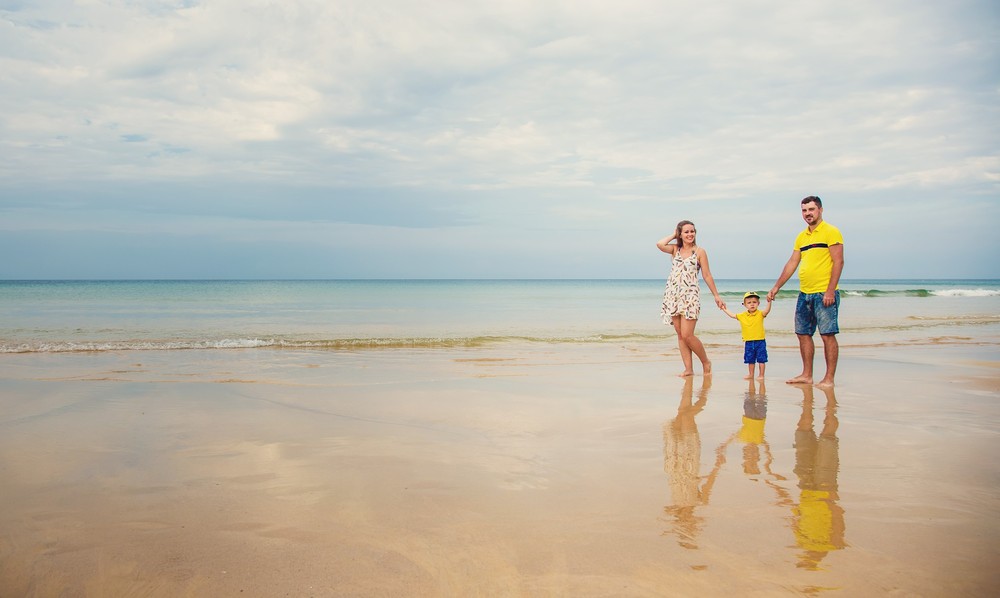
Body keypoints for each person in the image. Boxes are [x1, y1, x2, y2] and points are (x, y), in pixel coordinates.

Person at [767, 197, 844, 387]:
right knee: (802, 334)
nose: (808, 213)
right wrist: (776, 286)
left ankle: (829, 378)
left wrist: (830, 291)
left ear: (820, 210)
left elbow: (838, 261)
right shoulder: (802, 237)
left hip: (824, 293)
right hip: (804, 293)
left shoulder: (831, 232)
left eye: (811, 209)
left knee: (827, 335)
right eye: (804, 210)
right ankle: (807, 374)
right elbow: (792, 263)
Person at [657, 220, 726, 377]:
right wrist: (674, 234)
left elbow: (707, 275)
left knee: (688, 335)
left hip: (690, 297)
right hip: (673, 295)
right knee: (680, 335)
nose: (690, 234)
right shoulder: (675, 249)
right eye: (686, 232)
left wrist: (716, 295)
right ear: (680, 234)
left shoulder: (700, 252)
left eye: (692, 231)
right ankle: (688, 369)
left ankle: (705, 362)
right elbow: (660, 244)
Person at [722, 291, 773, 379]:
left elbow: (767, 311)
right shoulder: (742, 315)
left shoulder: (760, 314)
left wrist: (769, 302)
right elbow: (732, 315)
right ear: (745, 305)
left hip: (760, 341)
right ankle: (751, 374)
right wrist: (724, 308)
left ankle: (761, 375)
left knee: (762, 359)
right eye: (749, 303)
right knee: (750, 360)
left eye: (754, 302)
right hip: (748, 342)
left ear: (758, 303)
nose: (752, 304)